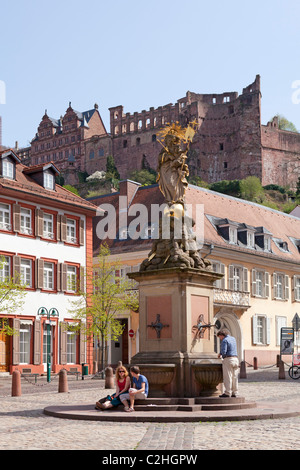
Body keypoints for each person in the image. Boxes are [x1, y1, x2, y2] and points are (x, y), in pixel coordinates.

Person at [217, 329, 239, 398]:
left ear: (221, 335)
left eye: (219, 337)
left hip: (228, 359)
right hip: (235, 359)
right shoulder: (233, 338)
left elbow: (224, 351)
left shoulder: (224, 340)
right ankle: (235, 392)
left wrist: (221, 355)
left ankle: (227, 392)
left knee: (228, 376)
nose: (220, 339)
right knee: (235, 377)